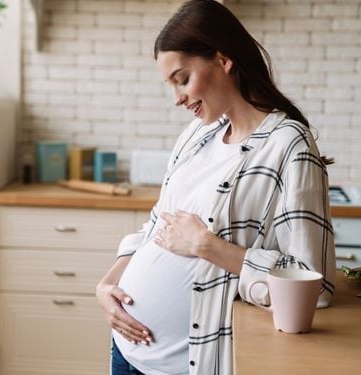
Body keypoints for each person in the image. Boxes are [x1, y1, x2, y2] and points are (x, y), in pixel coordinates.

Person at [95, 1, 336, 374]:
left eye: (183, 78)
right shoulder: (198, 134)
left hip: (187, 364)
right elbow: (158, 224)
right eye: (171, 84)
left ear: (223, 61)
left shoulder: (288, 145)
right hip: (126, 352)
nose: (177, 98)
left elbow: (313, 285)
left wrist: (207, 247)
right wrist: (109, 283)